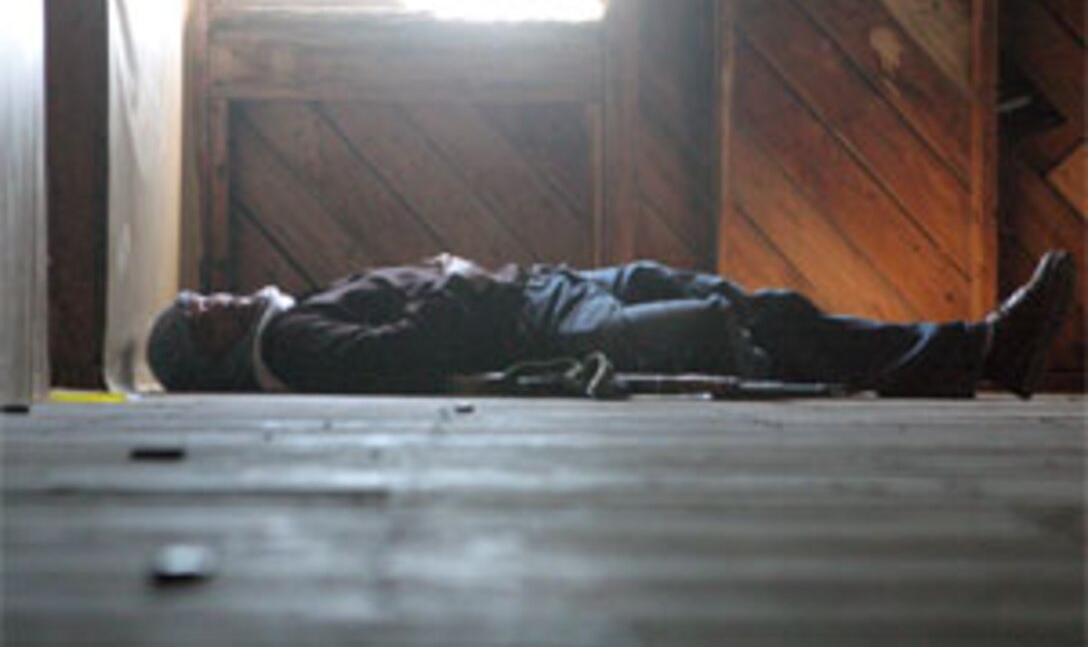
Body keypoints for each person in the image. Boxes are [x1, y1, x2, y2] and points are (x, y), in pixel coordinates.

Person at [147, 251, 1076, 399]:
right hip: (541, 319)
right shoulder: (294, 344)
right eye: (201, 316)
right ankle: (977, 348)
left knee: (739, 300)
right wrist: (453, 277)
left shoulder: (288, 318)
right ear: (212, 353)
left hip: (549, 287)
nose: (214, 299)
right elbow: (413, 356)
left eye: (201, 298)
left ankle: (971, 349)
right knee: (738, 320)